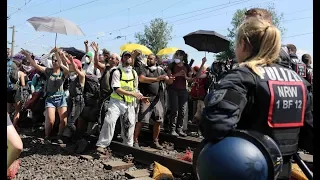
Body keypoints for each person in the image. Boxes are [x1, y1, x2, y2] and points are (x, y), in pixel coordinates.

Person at [199, 18, 313, 180]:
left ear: (243, 44)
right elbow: (310, 134)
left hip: (244, 170)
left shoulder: (242, 76)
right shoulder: (299, 81)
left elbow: (214, 125)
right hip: (282, 169)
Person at [95, 51, 147, 153]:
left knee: (130, 125)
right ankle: (102, 144)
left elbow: (135, 89)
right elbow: (116, 89)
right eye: (125, 56)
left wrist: (141, 97)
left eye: (129, 57)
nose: (128, 58)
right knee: (109, 121)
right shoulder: (117, 72)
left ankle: (128, 147)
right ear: (122, 59)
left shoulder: (134, 73)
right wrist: (132, 94)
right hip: (116, 102)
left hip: (130, 103)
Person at [21, 48, 70, 143]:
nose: (54, 62)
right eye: (53, 60)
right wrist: (27, 56)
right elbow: (36, 65)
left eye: (56, 60)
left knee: (63, 120)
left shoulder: (63, 72)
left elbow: (66, 68)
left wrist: (57, 54)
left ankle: (59, 136)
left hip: (61, 98)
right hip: (50, 98)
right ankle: (47, 136)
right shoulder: (48, 71)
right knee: (51, 120)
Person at [133, 54, 173, 149]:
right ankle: (135, 140)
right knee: (141, 120)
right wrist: (156, 79)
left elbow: (168, 81)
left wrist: (169, 80)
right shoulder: (144, 69)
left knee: (158, 120)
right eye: (148, 58)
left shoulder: (160, 70)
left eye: (151, 58)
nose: (148, 60)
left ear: (155, 60)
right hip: (146, 98)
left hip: (157, 99)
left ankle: (155, 141)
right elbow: (141, 79)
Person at [166, 50, 193, 137]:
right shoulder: (172, 65)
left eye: (179, 54)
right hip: (173, 89)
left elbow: (190, 79)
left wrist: (185, 76)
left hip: (183, 90)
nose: (177, 56)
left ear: (183, 56)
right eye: (176, 54)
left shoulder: (186, 66)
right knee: (175, 110)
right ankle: (172, 129)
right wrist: (177, 74)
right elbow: (168, 78)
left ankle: (179, 129)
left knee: (182, 111)